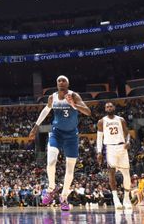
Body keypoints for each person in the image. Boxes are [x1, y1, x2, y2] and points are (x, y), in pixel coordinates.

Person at [29, 75, 91, 211]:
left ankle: (63, 197)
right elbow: (46, 110)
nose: (61, 82)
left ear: (68, 83)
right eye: (59, 81)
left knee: (70, 168)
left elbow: (88, 111)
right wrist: (35, 126)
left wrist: (73, 104)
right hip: (56, 133)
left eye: (63, 80)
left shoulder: (74, 95)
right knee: (50, 162)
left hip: (71, 135)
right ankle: (51, 188)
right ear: (57, 84)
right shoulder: (52, 97)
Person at [96, 102, 133, 210]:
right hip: (110, 148)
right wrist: (99, 152)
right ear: (105, 109)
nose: (109, 108)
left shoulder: (121, 120)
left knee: (126, 174)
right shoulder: (101, 121)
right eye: (107, 106)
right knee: (111, 173)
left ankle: (126, 199)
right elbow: (99, 138)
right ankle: (116, 199)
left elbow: (127, 133)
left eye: (111, 106)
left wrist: (128, 141)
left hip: (122, 147)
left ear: (114, 108)